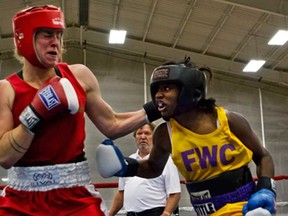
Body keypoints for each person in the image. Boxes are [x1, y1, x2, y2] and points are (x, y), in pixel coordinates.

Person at [0, 5, 160, 216]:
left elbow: (112, 124)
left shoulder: (79, 76)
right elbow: (4, 157)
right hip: (22, 200)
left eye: (59, 35)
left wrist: (159, 108)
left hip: (75, 196)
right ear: (24, 38)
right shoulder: (6, 89)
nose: (55, 42)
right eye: (47, 35)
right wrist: (35, 112)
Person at [96, 57, 277, 216]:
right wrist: (126, 166)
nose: (159, 95)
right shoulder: (165, 133)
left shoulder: (227, 121)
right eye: (157, 89)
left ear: (191, 91)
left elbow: (263, 156)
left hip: (243, 208)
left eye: (167, 88)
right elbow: (153, 167)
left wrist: (266, 189)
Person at [109, 123, 181, 216]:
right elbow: (121, 193)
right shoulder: (128, 162)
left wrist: (166, 213)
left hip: (154, 212)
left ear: (154, 137)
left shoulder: (165, 160)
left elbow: (175, 193)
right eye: (139, 133)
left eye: (147, 133)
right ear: (135, 137)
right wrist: (109, 214)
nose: (143, 137)